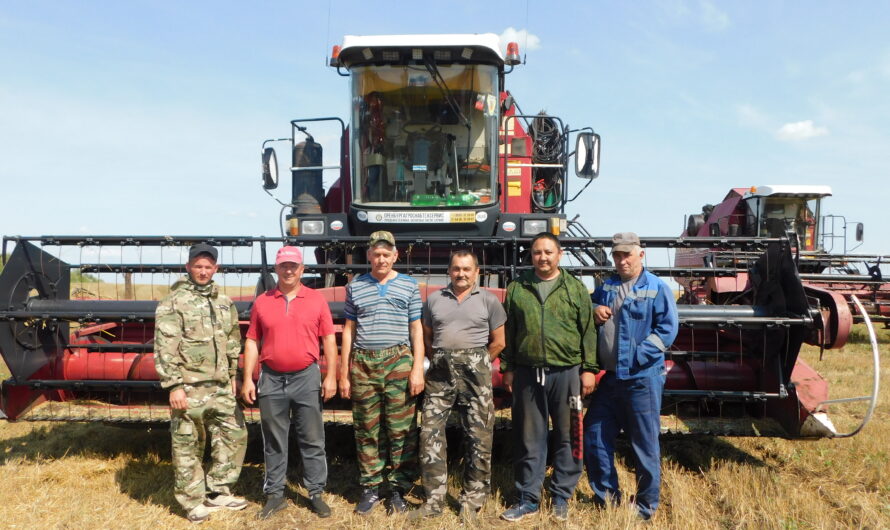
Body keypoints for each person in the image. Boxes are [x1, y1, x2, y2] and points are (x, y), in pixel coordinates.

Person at [499, 233, 598, 522]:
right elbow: (510, 332)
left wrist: (588, 368)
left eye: (548, 252)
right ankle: (528, 498)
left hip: (566, 373)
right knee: (529, 438)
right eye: (537, 252)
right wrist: (508, 366)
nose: (543, 257)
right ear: (531, 255)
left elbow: (587, 330)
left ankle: (561, 498)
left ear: (560, 254)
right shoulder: (518, 288)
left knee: (569, 437)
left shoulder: (575, 288)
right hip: (528, 373)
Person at [584, 232, 678, 521]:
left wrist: (637, 357)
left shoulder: (656, 287)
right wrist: (593, 309)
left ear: (641, 255)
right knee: (594, 435)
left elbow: (667, 330)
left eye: (627, 254)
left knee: (644, 443)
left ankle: (646, 506)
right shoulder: (607, 286)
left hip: (642, 378)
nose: (622, 260)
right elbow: (588, 309)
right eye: (617, 255)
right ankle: (608, 499)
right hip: (610, 378)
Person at [240, 246, 338, 520]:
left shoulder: (316, 300)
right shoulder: (263, 301)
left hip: (306, 376)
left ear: (302, 269)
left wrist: (331, 375)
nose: (289, 270)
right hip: (271, 378)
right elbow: (252, 341)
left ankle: (316, 493)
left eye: (294, 265)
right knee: (274, 439)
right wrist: (249, 377)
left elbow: (329, 339)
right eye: (284, 265)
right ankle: (275, 495)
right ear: (276, 268)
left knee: (312, 438)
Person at [409, 250, 507, 522]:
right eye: (456, 269)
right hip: (440, 376)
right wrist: (440, 360)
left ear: (477, 272)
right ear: (449, 271)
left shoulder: (488, 301)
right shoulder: (434, 300)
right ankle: (433, 501)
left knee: (479, 438)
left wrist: (478, 362)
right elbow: (427, 338)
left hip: (476, 377)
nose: (461, 274)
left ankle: (471, 502)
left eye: (466, 269)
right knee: (429, 434)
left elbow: (499, 342)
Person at [154, 243, 248, 524]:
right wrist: (174, 385)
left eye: (208, 267)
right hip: (189, 386)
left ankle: (218, 490)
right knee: (188, 443)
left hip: (220, 385)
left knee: (233, 435)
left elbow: (233, 341)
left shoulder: (224, 302)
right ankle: (192, 501)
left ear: (215, 269)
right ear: (188, 267)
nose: (203, 271)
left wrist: (233, 376)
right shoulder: (173, 302)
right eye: (198, 266)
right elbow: (164, 347)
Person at [338, 231, 425, 515]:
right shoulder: (355, 286)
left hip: (398, 359)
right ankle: (371, 487)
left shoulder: (410, 286)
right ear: (369, 256)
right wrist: (344, 371)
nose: (381, 259)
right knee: (367, 429)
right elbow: (348, 330)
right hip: (363, 363)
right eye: (376, 254)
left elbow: (416, 330)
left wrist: (417, 369)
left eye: (387, 254)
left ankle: (399, 488)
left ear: (396, 255)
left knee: (401, 429)